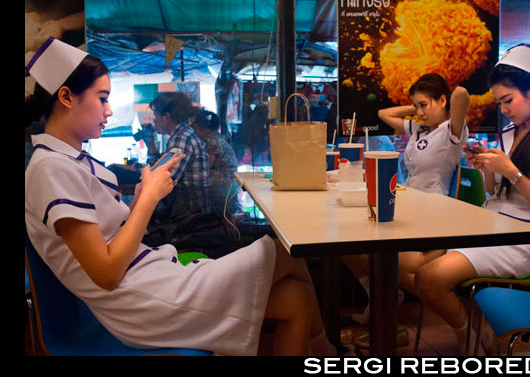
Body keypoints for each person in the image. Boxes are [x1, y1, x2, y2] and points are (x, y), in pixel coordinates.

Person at [24, 37, 354, 356]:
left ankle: (325, 353)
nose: (109, 110)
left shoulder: (66, 163)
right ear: (66, 97)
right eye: (102, 97)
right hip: (137, 300)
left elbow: (112, 242)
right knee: (286, 254)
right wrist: (149, 199)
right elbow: (107, 273)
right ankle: (328, 354)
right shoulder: (51, 168)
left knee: (295, 298)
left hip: (150, 278)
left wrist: (139, 201)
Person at [397, 43, 530, 355]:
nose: (504, 109)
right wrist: (487, 167)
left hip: (524, 238)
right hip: (490, 224)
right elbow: (494, 192)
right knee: (403, 264)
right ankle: (476, 332)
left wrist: (512, 172)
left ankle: (474, 337)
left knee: (428, 278)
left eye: (508, 100)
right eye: (499, 103)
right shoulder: (510, 131)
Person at [342, 73, 470, 326]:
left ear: (442, 100)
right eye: (417, 106)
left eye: (424, 105)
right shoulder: (420, 129)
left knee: (372, 254)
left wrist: (437, 102)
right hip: (409, 208)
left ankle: (426, 300)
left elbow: (461, 94)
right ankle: (382, 296)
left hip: (433, 216)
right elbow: (384, 114)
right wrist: (416, 107)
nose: (420, 112)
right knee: (346, 245)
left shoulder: (452, 132)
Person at [147, 91, 211, 215]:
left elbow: (165, 178)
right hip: (189, 212)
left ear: (166, 117)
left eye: (156, 116)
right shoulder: (181, 134)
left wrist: (140, 171)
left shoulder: (181, 138)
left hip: (189, 218)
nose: (154, 121)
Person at [191, 107, 241, 217]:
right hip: (227, 190)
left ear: (198, 127)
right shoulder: (217, 138)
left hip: (220, 191)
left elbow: (206, 167)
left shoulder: (210, 141)